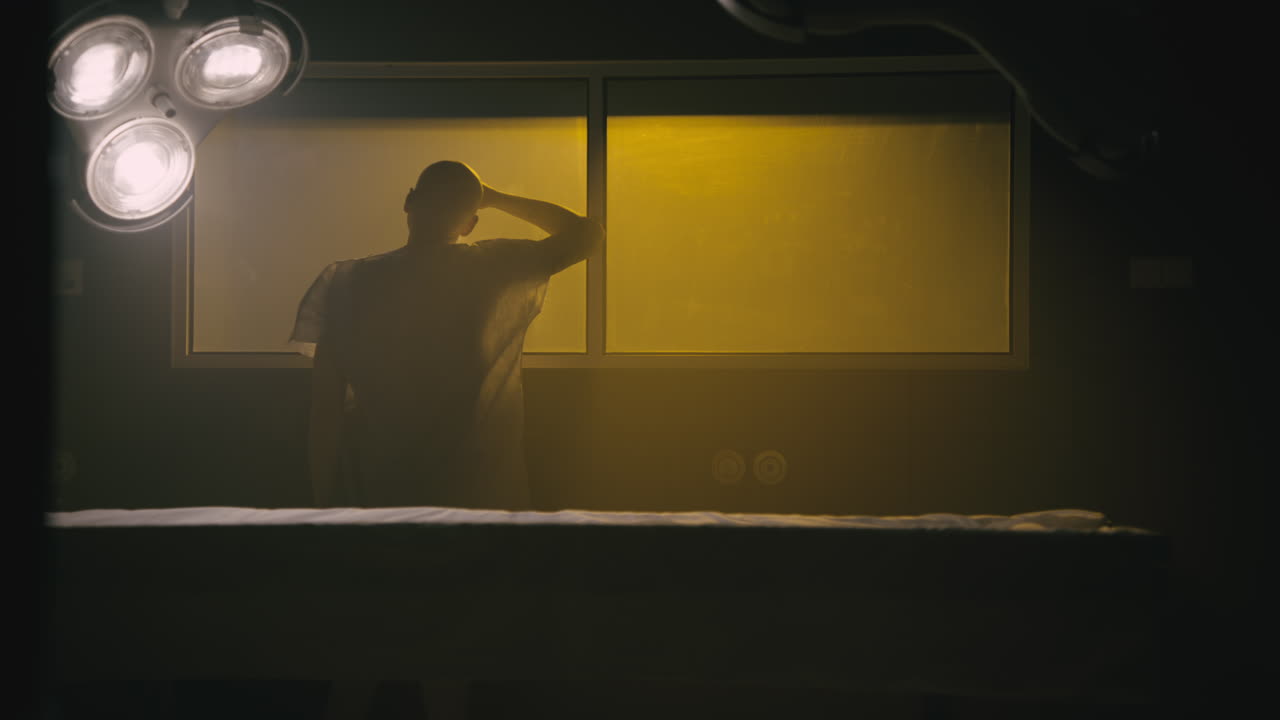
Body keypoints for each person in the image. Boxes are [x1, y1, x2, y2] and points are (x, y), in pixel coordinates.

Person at [291, 160, 603, 510]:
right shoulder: (498, 268)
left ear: (409, 201)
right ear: (471, 223)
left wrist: (322, 506)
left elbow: (325, 414)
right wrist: (496, 197)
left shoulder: (346, 283)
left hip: (386, 491)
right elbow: (588, 236)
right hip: (483, 494)